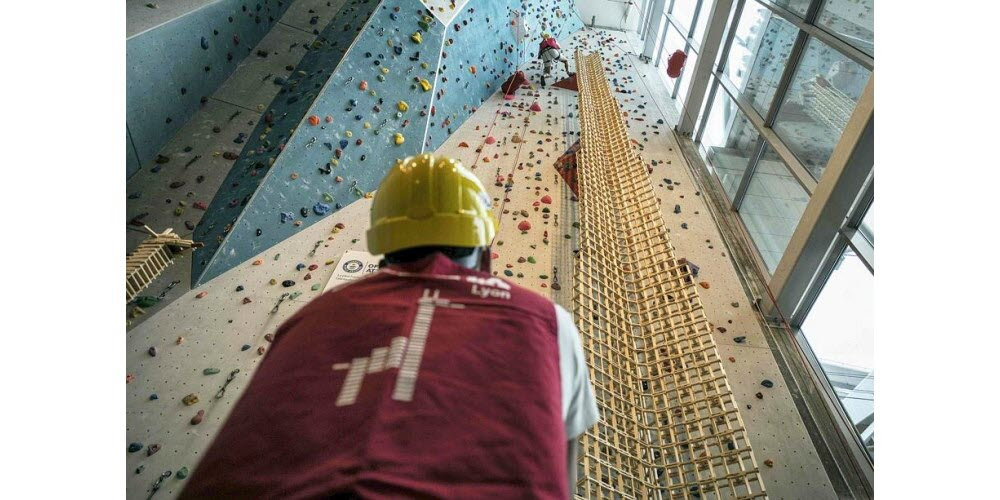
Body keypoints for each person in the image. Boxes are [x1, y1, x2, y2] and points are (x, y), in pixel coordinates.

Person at [179, 154, 600, 499]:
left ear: (382, 238)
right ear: (482, 240)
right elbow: (562, 465)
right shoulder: (547, 322)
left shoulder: (310, 318)